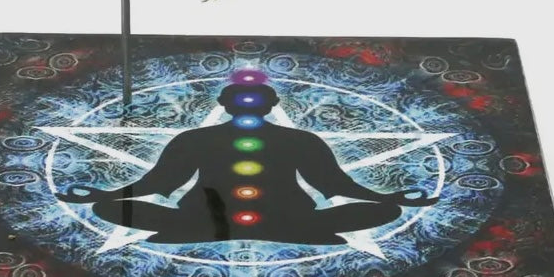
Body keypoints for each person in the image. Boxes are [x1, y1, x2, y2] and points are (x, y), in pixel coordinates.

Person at [57, 71, 438, 244]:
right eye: (240, 99)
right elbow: (159, 182)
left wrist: (388, 199)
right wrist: (103, 196)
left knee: (387, 212)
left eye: (256, 100)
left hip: (284, 213)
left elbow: (334, 184)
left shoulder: (300, 140)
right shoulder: (195, 138)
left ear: (271, 105)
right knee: (107, 210)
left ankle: (225, 230)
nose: (249, 104)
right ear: (225, 104)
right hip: (206, 214)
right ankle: (285, 231)